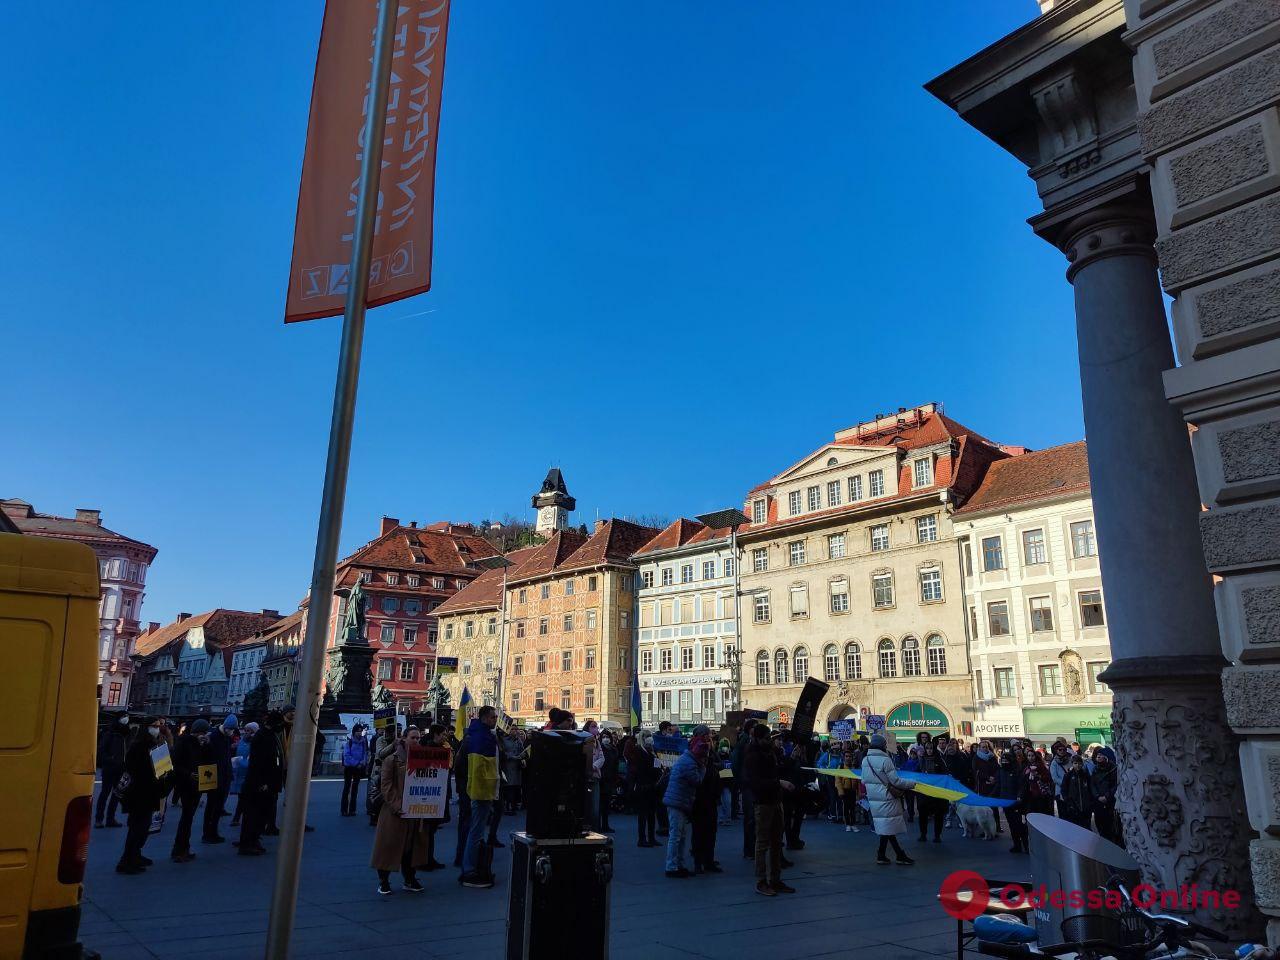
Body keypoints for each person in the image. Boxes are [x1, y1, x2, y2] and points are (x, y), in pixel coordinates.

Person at [370, 726, 430, 894]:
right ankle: (383, 880)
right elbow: (386, 786)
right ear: (404, 739)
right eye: (413, 737)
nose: (416, 741)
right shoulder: (392, 760)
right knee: (388, 846)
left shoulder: (424, 758)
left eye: (418, 738)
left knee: (412, 848)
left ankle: (409, 878)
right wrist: (398, 806)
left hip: (416, 810)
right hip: (395, 812)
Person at [742, 726, 795, 897]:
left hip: (775, 799)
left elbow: (779, 769)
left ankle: (775, 878)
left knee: (777, 840)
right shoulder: (752, 755)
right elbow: (756, 782)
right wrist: (778, 782)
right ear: (757, 738)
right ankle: (761, 880)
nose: (770, 741)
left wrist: (789, 758)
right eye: (766, 738)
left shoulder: (771, 752)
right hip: (763, 801)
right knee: (763, 842)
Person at [116, 719, 172, 874]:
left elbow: (164, 767)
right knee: (138, 828)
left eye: (158, 726)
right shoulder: (141, 746)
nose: (157, 729)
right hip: (140, 794)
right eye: (154, 726)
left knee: (142, 827)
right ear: (146, 728)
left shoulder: (153, 745)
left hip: (146, 793)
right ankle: (126, 861)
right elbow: (139, 770)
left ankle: (135, 855)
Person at [460, 706, 500, 888]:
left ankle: (472, 865)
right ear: (484, 718)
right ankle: (469, 870)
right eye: (493, 717)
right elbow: (478, 769)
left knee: (477, 830)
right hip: (481, 790)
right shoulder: (481, 737)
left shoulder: (480, 734)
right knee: (476, 831)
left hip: (481, 789)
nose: (495, 720)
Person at [861, 734, 916, 865]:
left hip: (875, 799)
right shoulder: (886, 760)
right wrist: (912, 783)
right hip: (887, 798)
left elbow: (863, 780)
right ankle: (899, 855)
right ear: (882, 746)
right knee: (888, 827)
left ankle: (883, 854)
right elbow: (896, 781)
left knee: (885, 827)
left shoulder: (865, 760)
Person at [238, 710, 285, 856]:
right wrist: (262, 782)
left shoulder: (270, 735)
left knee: (262, 814)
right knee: (253, 814)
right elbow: (258, 763)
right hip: (259, 784)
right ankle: (247, 843)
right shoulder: (262, 736)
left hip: (269, 782)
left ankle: (254, 839)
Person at [662, 734, 702, 878]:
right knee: (676, 836)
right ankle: (672, 866)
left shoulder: (686, 759)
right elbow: (698, 780)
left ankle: (678, 864)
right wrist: (703, 766)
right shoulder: (689, 763)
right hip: (677, 801)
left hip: (678, 800)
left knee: (680, 835)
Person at [170, 718, 210, 863]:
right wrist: (188, 774)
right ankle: (179, 850)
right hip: (186, 784)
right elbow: (175, 764)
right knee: (186, 818)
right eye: (203, 732)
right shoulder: (184, 742)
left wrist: (205, 746)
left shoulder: (201, 743)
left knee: (188, 818)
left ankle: (184, 848)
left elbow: (204, 761)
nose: (204, 735)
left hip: (197, 785)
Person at [689, 727, 722, 874]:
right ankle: (700, 861)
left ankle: (707, 859)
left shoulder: (710, 748)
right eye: (708, 734)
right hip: (701, 795)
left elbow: (718, 763)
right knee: (701, 830)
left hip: (710, 794)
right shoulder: (697, 747)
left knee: (708, 830)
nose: (710, 737)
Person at [202, 714, 236, 844]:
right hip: (214, 777)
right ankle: (208, 833)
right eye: (231, 730)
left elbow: (226, 757)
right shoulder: (214, 737)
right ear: (226, 727)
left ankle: (213, 832)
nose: (232, 732)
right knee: (212, 806)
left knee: (218, 807)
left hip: (224, 776)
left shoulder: (226, 737)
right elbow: (209, 757)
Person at [96, 714, 130, 828]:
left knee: (117, 794)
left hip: (121, 769)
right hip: (110, 768)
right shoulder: (110, 733)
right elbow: (101, 750)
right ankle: (99, 819)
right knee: (105, 793)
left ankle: (110, 819)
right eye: (124, 716)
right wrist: (110, 759)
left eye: (127, 716)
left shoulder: (127, 734)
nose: (126, 719)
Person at [629, 730, 660, 847]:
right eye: (647, 736)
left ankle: (651, 838)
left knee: (652, 814)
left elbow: (656, 764)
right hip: (643, 785)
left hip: (652, 785)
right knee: (643, 815)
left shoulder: (652, 750)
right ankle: (642, 839)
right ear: (642, 738)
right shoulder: (638, 751)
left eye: (650, 736)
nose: (650, 738)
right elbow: (640, 770)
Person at [731, 718, 757, 859]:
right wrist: (741, 779)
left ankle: (751, 848)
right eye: (754, 726)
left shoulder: (751, 741)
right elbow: (735, 762)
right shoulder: (744, 741)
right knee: (750, 818)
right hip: (747, 783)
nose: (756, 729)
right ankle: (749, 849)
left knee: (752, 818)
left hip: (750, 782)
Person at [915, 739, 948, 843]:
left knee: (939, 814)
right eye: (927, 748)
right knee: (923, 814)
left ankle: (937, 835)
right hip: (924, 791)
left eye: (931, 748)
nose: (929, 750)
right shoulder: (921, 760)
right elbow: (916, 773)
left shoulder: (939, 759)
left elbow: (945, 773)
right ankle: (923, 834)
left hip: (937, 791)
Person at [996, 748, 1029, 854]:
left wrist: (1020, 796)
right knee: (1011, 825)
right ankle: (1017, 845)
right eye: (1003, 761)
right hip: (1005, 802)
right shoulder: (1001, 771)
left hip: (1016, 802)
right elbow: (998, 785)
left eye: (1007, 760)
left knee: (1019, 825)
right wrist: (988, 797)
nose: (1005, 762)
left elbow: (1022, 785)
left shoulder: (1016, 771)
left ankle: (1026, 846)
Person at [229, 721, 257, 827]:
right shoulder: (241, 741)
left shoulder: (255, 743)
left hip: (249, 773)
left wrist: (239, 761)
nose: (246, 732)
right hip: (240, 773)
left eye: (249, 731)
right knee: (242, 797)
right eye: (245, 730)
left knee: (245, 798)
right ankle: (238, 818)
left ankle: (239, 818)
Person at [1089, 748, 1118, 842]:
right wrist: (1097, 796)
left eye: (1101, 755)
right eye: (1098, 755)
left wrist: (1107, 796)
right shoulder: (1095, 769)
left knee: (1111, 825)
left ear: (1106, 757)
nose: (1098, 756)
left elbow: (1115, 785)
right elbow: (1092, 784)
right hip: (1098, 801)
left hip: (1109, 800)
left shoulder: (1113, 769)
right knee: (1100, 823)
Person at [1019, 747, 1056, 819]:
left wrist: (1038, 776)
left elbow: (1048, 778)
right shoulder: (1026, 768)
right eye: (1029, 756)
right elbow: (1023, 781)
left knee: (1041, 813)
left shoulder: (1041, 766)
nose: (1031, 757)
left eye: (1032, 755)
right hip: (1029, 795)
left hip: (1040, 794)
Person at [341, 723, 369, 817]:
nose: (359, 733)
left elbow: (365, 753)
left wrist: (363, 762)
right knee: (347, 788)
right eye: (358, 731)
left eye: (361, 731)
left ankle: (352, 809)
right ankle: (344, 809)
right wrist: (356, 763)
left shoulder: (363, 742)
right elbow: (346, 756)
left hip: (359, 768)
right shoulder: (349, 742)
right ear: (354, 732)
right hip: (349, 767)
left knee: (355, 789)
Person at [1059, 754, 1094, 828]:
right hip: (1073, 807)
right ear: (1072, 764)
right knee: (1075, 827)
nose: (1078, 765)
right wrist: (1068, 801)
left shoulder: (1086, 775)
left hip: (1086, 807)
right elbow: (1063, 789)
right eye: (1075, 763)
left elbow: (1091, 788)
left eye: (1080, 763)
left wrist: (1090, 802)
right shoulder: (1068, 775)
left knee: (1086, 827)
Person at [599, 731, 619, 833]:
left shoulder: (613, 749)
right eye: (604, 737)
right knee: (599, 804)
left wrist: (615, 778)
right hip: (600, 779)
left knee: (606, 804)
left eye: (607, 737)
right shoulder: (599, 749)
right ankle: (598, 825)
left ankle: (606, 825)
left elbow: (616, 764)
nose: (606, 738)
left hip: (610, 779)